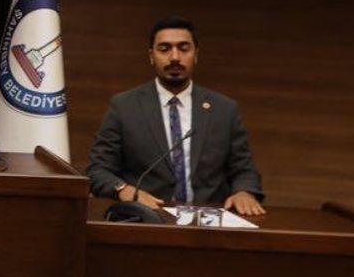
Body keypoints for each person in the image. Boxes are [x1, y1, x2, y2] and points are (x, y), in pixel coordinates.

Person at [86, 16, 265, 215]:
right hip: (146, 217)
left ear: (196, 55)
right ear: (151, 56)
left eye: (183, 48)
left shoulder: (224, 109)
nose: (174, 57)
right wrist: (123, 189)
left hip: (207, 220)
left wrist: (244, 191)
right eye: (164, 49)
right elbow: (97, 170)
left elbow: (244, 169)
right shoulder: (124, 106)